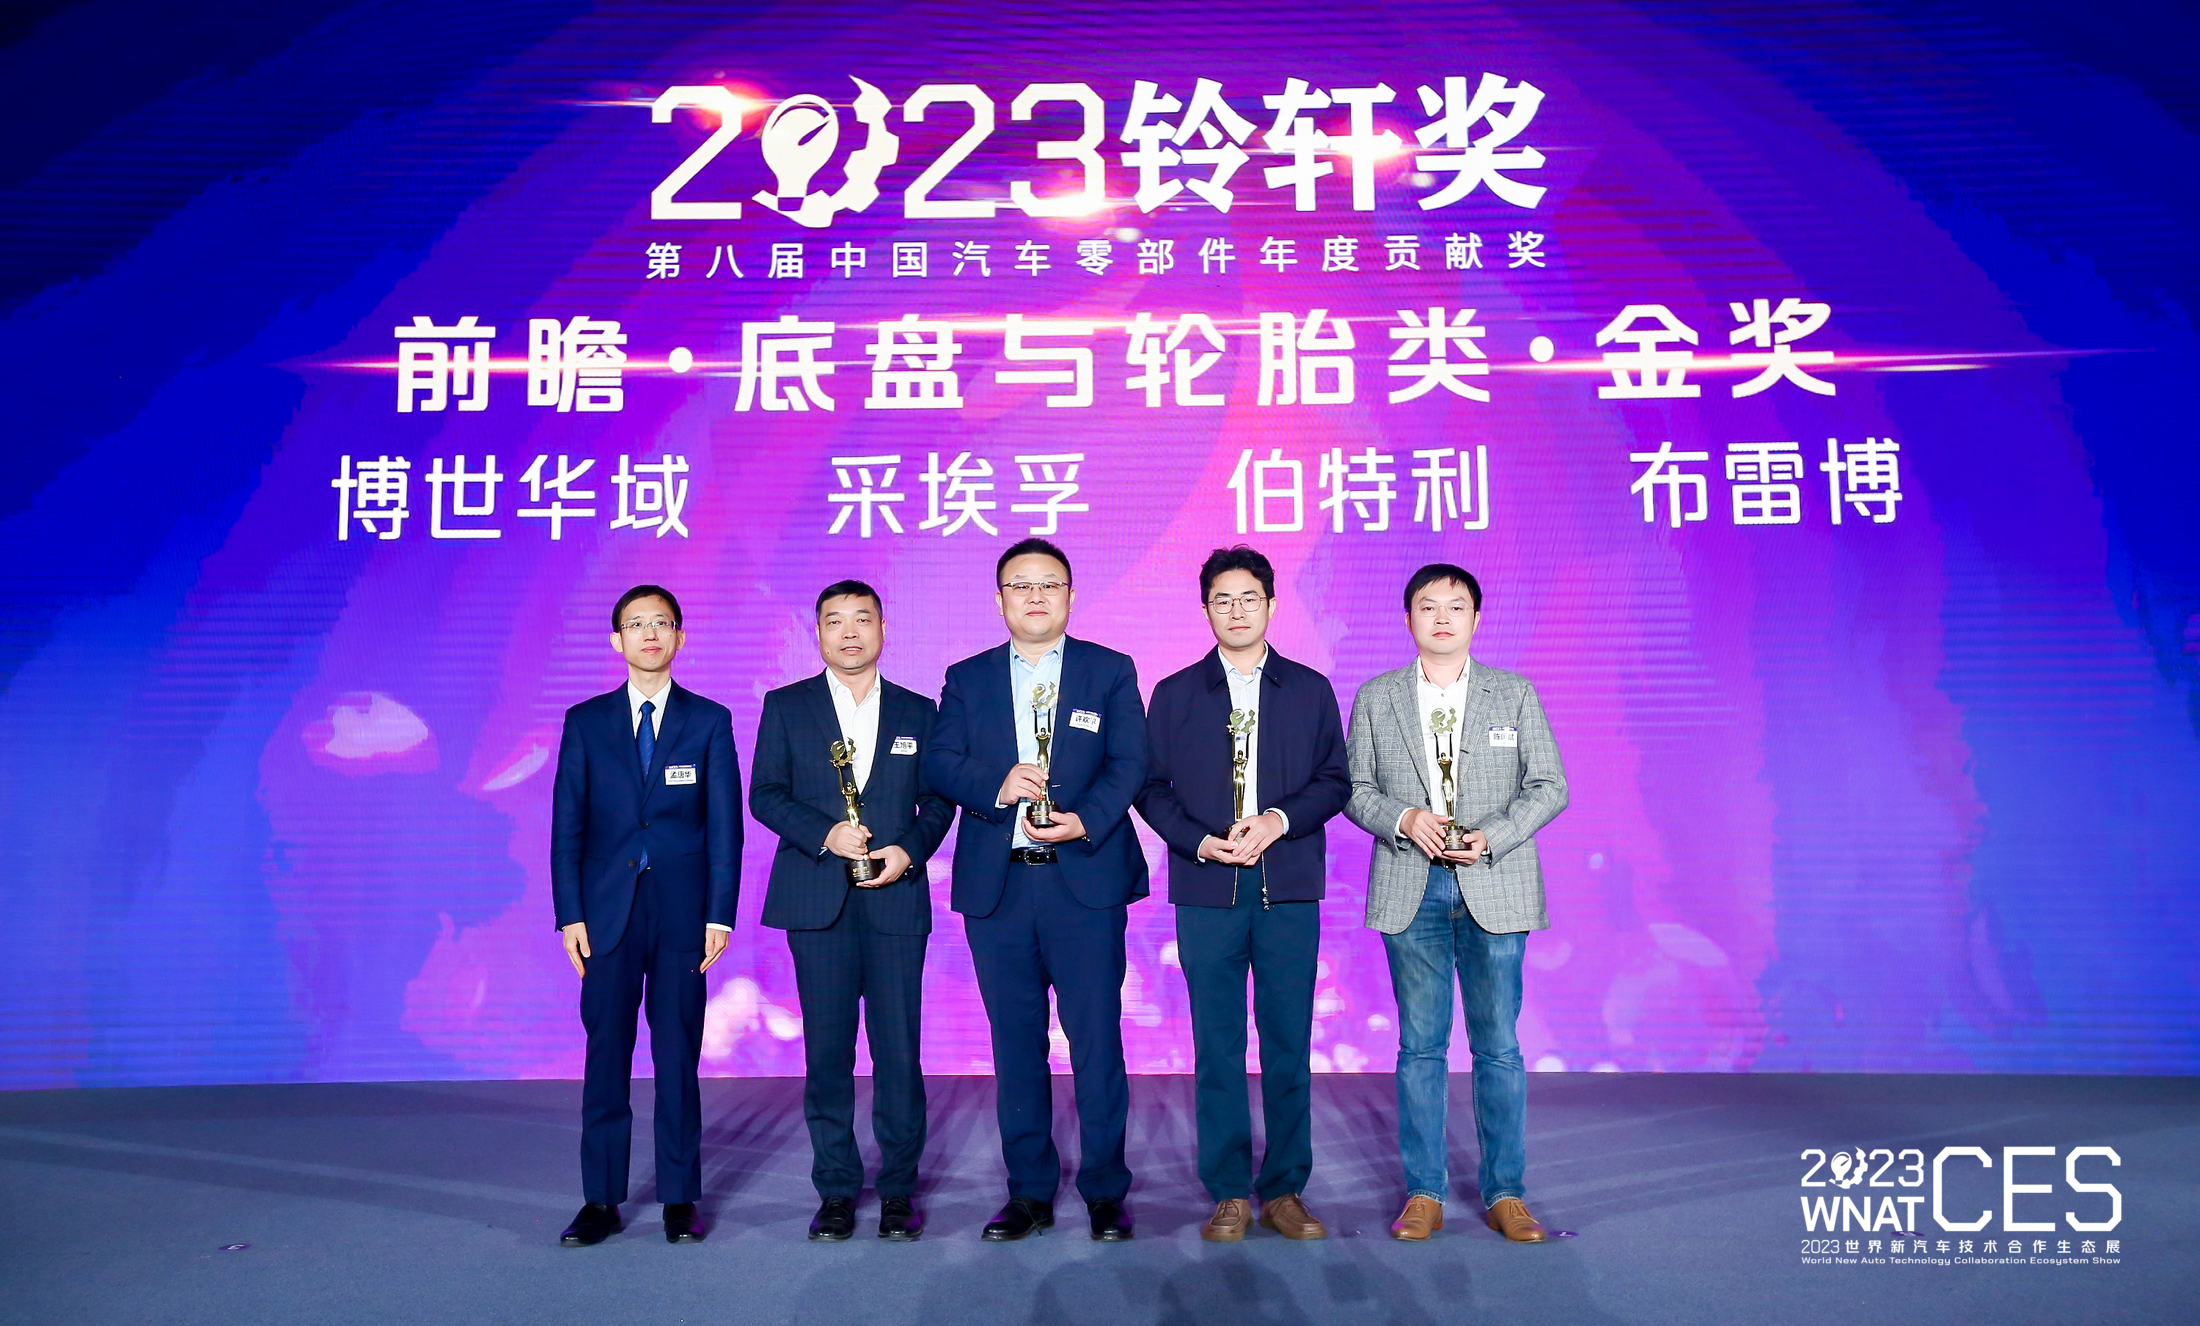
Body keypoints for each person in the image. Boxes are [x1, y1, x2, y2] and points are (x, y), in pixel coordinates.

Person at [921, 538, 1148, 1243]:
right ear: (1000, 601)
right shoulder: (968, 678)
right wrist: (997, 785)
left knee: (1096, 1041)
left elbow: (1130, 762)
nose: (1036, 596)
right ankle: (1028, 1192)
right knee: (1015, 1044)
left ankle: (1105, 1190)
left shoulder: (1109, 670)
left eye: (1050, 584)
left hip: (1084, 885)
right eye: (1021, 585)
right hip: (1002, 890)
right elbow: (939, 762)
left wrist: (1086, 820)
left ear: (1071, 596)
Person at [1342, 564, 1568, 1244]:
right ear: (1407, 618)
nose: (1442, 617)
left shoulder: (1514, 693)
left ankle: (1506, 1193)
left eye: (1456, 606)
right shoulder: (1377, 697)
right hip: (1411, 885)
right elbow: (1353, 789)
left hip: (1495, 883)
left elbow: (1549, 785)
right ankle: (1424, 1192)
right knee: (1420, 1047)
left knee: (1498, 1047)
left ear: (1476, 618)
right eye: (1428, 606)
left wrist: (1491, 836)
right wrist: (1404, 818)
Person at [1135, 546, 1349, 1243]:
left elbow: (1334, 781)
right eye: (1222, 600)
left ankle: (1284, 1189)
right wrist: (1199, 842)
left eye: (1249, 598)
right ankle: (1228, 1191)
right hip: (1207, 889)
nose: (1236, 610)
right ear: (1206, 610)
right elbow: (1150, 788)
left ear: (1271, 606)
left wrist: (1278, 820)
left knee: (1288, 1042)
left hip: (1287, 887)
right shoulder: (1175, 693)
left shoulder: (1309, 689)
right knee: (1217, 1045)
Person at [750, 581, 953, 1242]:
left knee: (899, 1052)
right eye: (834, 621)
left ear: (883, 629)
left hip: (895, 898)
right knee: (827, 1052)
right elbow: (765, 794)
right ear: (817, 633)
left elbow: (939, 803)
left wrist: (910, 851)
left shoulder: (919, 711)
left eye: (861, 619)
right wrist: (825, 834)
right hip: (817, 899)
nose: (849, 632)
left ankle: (898, 1190)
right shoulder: (787, 706)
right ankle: (836, 1189)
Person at [551, 584, 741, 1247]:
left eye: (662, 623)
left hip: (684, 915)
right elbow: (566, 825)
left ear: (680, 636)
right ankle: (599, 1199)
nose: (650, 634)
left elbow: (725, 828)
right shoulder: (586, 721)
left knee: (677, 1055)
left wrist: (720, 915)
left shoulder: (709, 720)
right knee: (606, 1053)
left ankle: (679, 1198)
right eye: (636, 624)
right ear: (617, 640)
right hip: (606, 914)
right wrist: (569, 913)